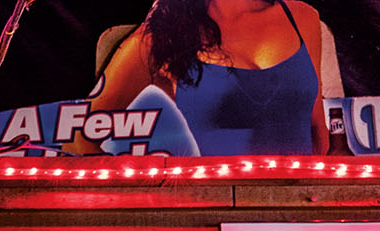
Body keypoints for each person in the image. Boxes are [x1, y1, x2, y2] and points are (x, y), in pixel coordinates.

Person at [85, 0, 342, 157]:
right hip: (216, 220)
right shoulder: (163, 36)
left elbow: (317, 130)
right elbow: (80, 132)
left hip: (298, 218)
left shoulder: (303, 17)